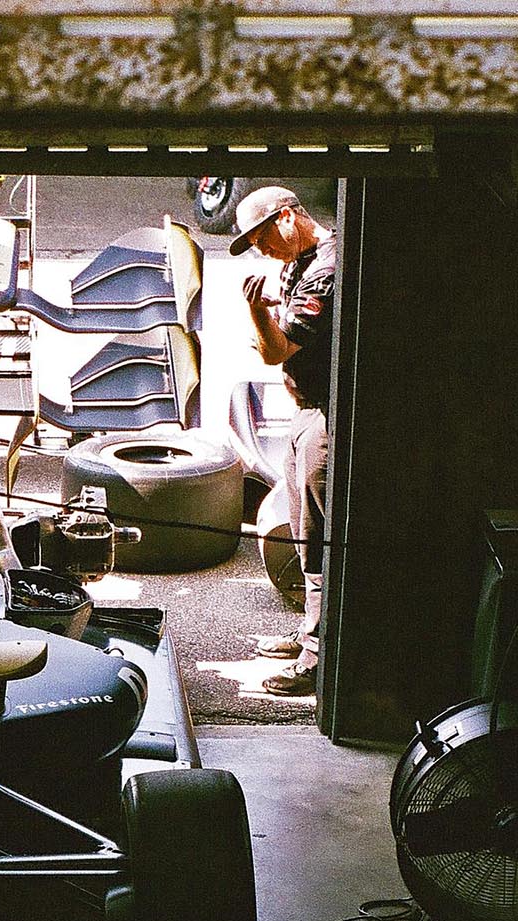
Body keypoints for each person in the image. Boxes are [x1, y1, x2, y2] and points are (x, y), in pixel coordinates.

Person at [229, 186, 337, 698]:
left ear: (289, 218)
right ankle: (307, 635)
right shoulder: (300, 262)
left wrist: (257, 311)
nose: (260, 250)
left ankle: (319, 658)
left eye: (262, 237)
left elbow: (272, 350)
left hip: (326, 418)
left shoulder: (325, 270)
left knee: (319, 541)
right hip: (303, 410)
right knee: (300, 532)